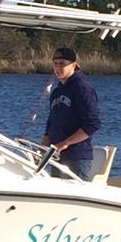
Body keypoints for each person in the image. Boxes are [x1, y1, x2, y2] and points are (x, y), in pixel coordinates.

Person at [41, 44, 101, 179]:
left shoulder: (83, 89)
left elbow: (93, 124)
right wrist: (42, 149)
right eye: (55, 64)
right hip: (55, 156)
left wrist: (65, 143)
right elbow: (51, 123)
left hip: (77, 158)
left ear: (73, 65)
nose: (57, 68)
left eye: (62, 64)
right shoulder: (56, 92)